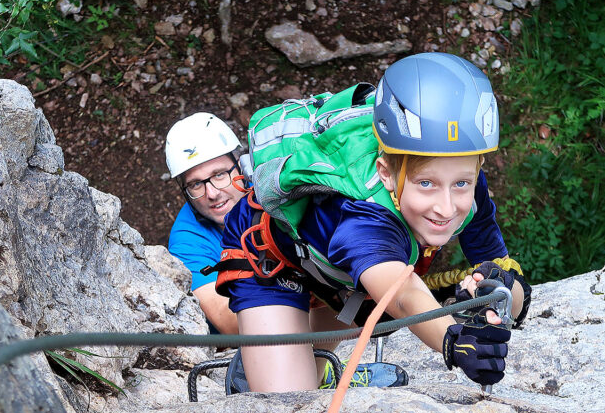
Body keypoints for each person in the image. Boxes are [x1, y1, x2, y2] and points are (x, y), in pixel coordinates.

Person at [214, 52, 530, 392]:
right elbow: (402, 294)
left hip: (337, 274)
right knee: (289, 402)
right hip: (272, 262)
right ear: (386, 174)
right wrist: (454, 341)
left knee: (360, 322)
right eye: (426, 184)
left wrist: (501, 292)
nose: (446, 207)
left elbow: (500, 269)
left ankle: (309, 366)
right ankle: (259, 367)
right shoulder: (365, 217)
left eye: (461, 184)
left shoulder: (463, 178)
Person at [165, 113, 249, 334]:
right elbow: (229, 321)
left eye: (220, 174)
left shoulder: (272, 190)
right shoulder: (187, 241)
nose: (212, 193)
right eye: (195, 184)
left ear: (241, 165)